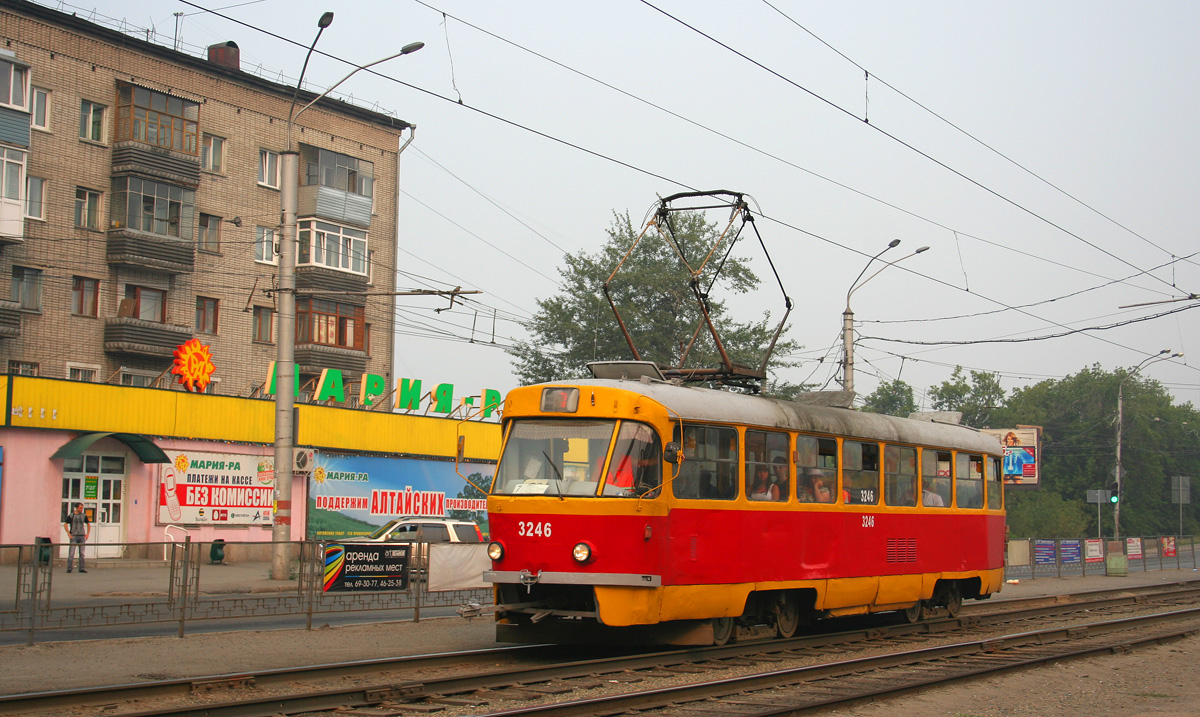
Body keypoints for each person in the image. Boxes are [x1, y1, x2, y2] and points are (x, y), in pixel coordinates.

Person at [64, 502, 90, 573]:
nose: (82, 509)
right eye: (80, 508)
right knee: (71, 553)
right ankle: (69, 568)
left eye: (82, 508)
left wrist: (87, 534)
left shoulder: (83, 515)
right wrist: (68, 534)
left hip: (81, 536)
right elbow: (65, 524)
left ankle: (81, 568)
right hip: (74, 536)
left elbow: (88, 524)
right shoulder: (71, 515)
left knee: (82, 553)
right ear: (77, 508)